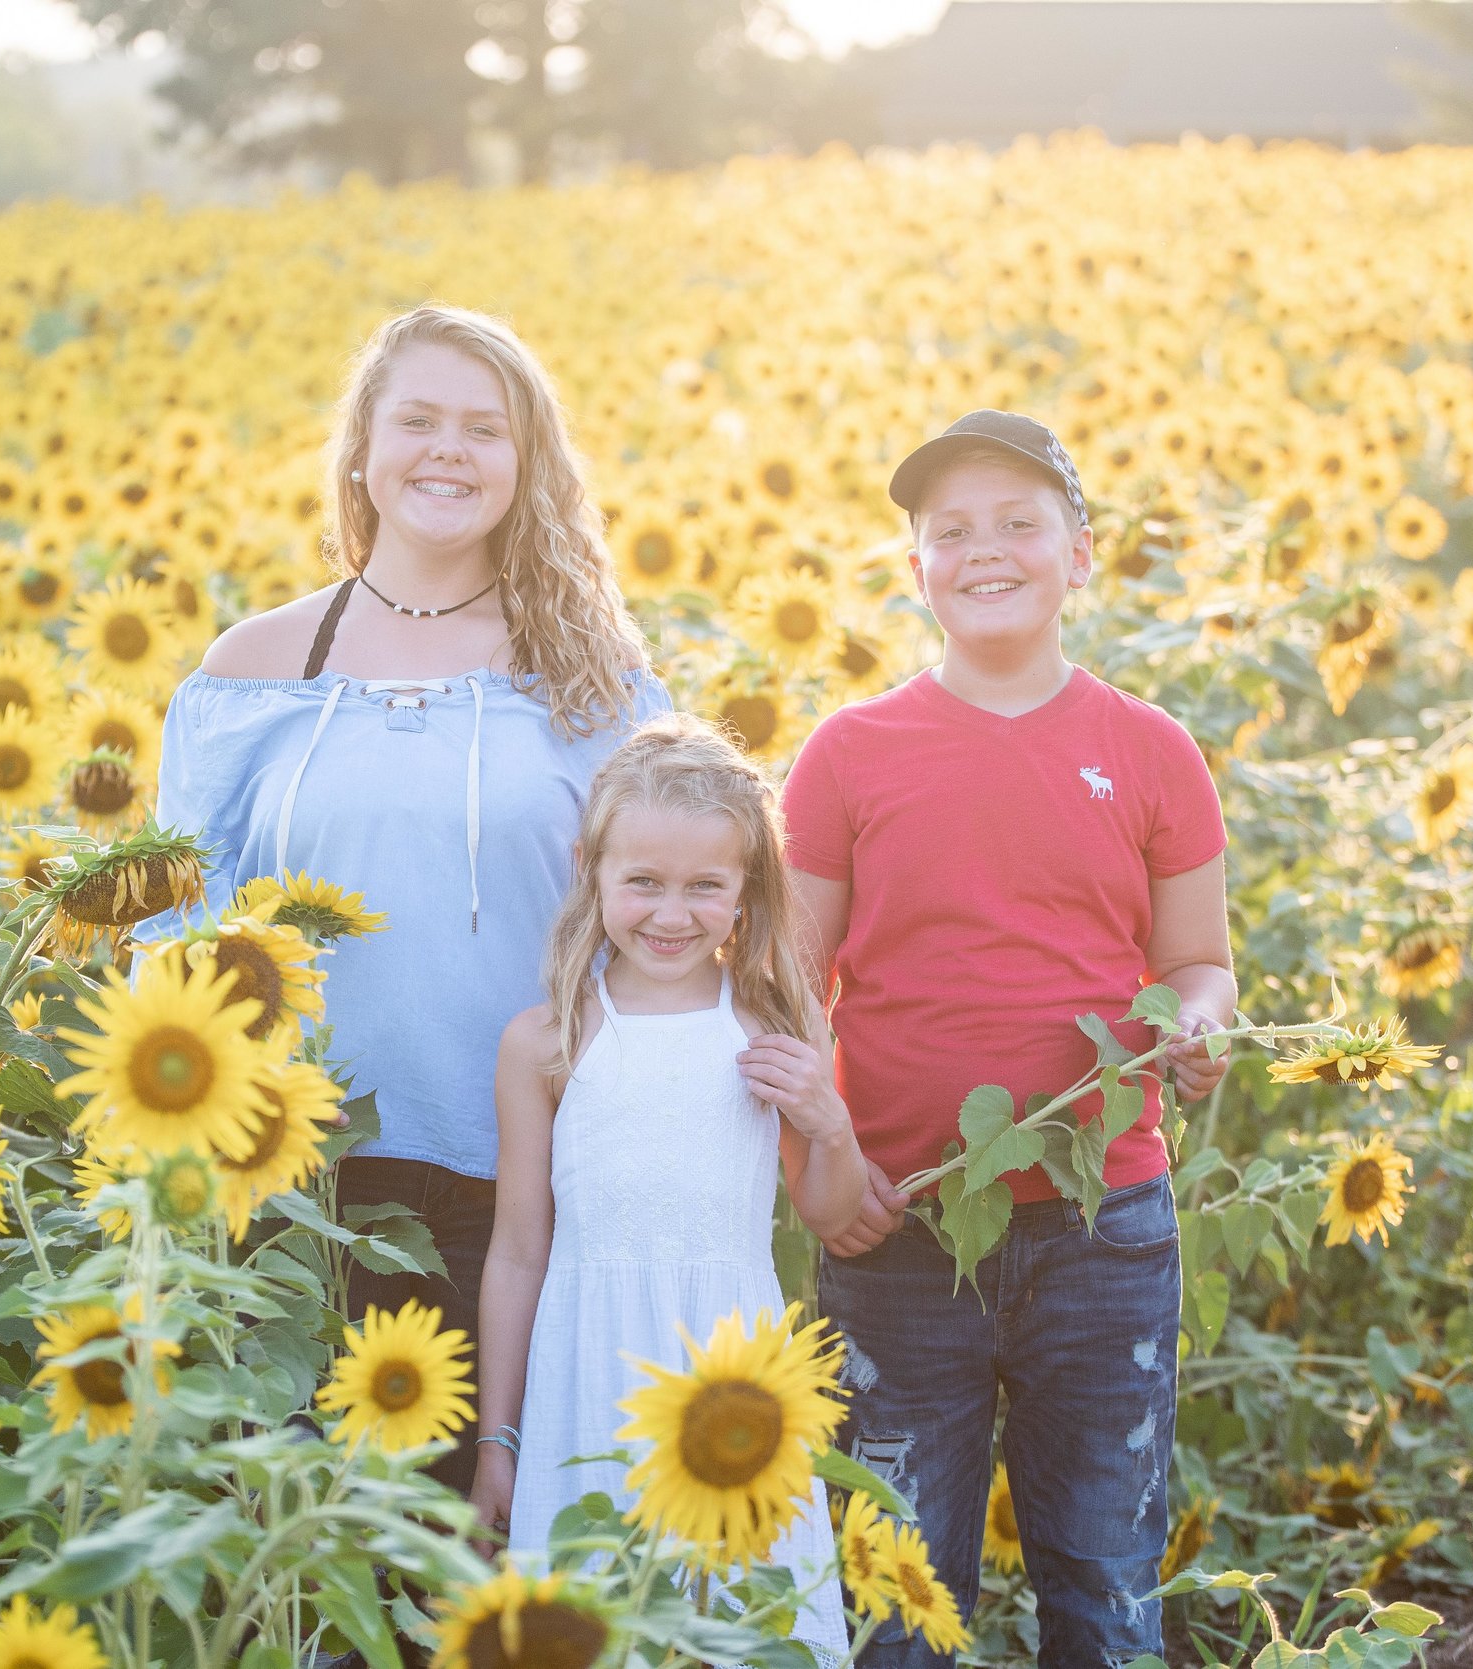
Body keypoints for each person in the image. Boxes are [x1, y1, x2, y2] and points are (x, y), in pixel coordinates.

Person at [148, 303, 667, 1494]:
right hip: (290, 1184)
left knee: (472, 1551)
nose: (449, 449)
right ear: (361, 451)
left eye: (484, 428)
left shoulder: (590, 679)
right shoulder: (252, 670)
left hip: (523, 1184)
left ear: (525, 463)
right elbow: (177, 927)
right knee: (303, 1548)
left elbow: (655, 928)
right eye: (418, 419)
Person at [780, 411, 1236, 1667]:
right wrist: (815, 1169)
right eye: (951, 533)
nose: (986, 551)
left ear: (1079, 554)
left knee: (1103, 1578)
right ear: (915, 570)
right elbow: (782, 988)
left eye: (1019, 524)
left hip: (1103, 1233)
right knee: (895, 1598)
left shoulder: (1149, 751)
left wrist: (1197, 1025)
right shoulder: (847, 755)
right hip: (897, 1226)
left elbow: (1196, 962)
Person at [471, 715, 857, 1657]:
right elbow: (520, 1249)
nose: (670, 913)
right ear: (590, 870)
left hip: (735, 1387)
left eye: (704, 887)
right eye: (642, 881)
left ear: (746, 889)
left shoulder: (771, 1023)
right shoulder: (548, 1041)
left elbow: (835, 1213)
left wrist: (829, 1119)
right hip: (584, 1383)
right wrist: (497, 1440)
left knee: (748, 1627)